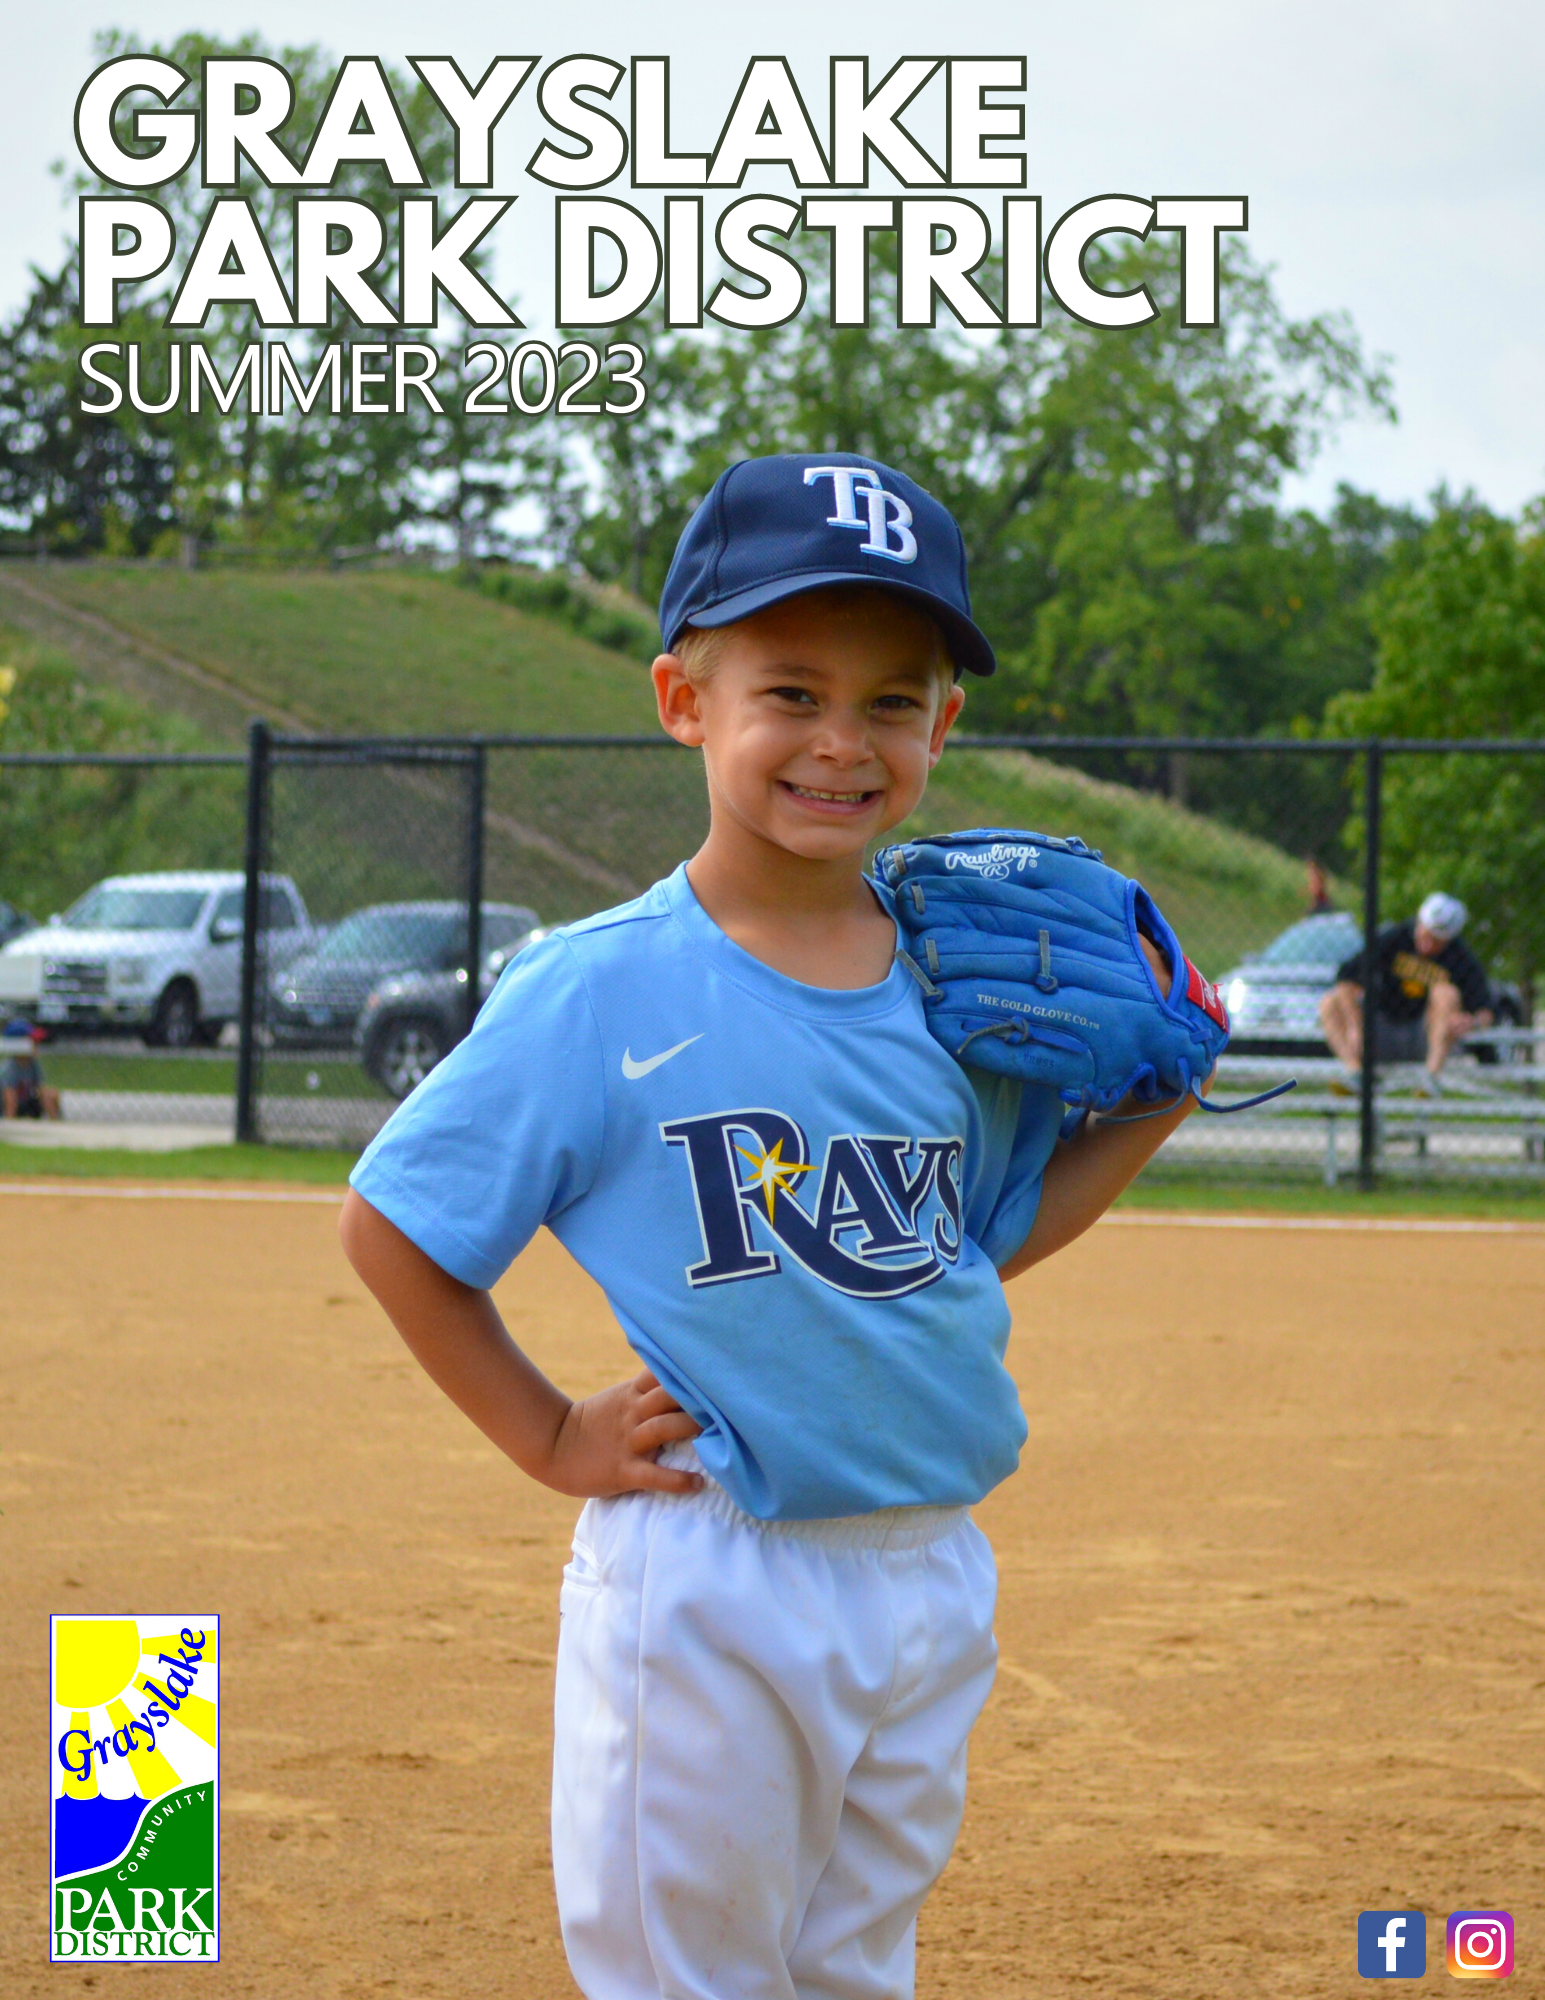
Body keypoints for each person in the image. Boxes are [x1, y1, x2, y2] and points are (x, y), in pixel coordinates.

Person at [339, 453, 1209, 2000]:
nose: (839, 740)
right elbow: (399, 1230)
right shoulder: (598, 987)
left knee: (852, 1967)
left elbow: (966, 1240)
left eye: (891, 700)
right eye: (789, 690)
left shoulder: (959, 985)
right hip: (713, 1576)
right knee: (690, 1975)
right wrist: (548, 1435)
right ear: (686, 701)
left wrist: (1152, 1104)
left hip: (928, 1565)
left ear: (942, 725)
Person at [1319, 891, 1492, 1093]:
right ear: (1419, 923)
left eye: (1437, 941)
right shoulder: (1395, 938)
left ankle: (1430, 1078)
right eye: (1426, 935)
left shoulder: (1461, 958)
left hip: (1425, 1036)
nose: (1427, 946)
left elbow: (1487, 1012)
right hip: (1379, 1031)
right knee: (1329, 1002)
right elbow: (1345, 978)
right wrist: (1355, 1027)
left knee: (1446, 993)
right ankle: (1357, 1073)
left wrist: (1473, 1022)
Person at [0, 1018, 61, 1120]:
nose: (36, 1046)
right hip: (6, 1106)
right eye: (33, 1043)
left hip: (25, 1102)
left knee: (51, 1094)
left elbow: (41, 1089)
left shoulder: (33, 1064)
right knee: (11, 1096)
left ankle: (56, 1123)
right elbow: (9, 1097)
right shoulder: (9, 1068)